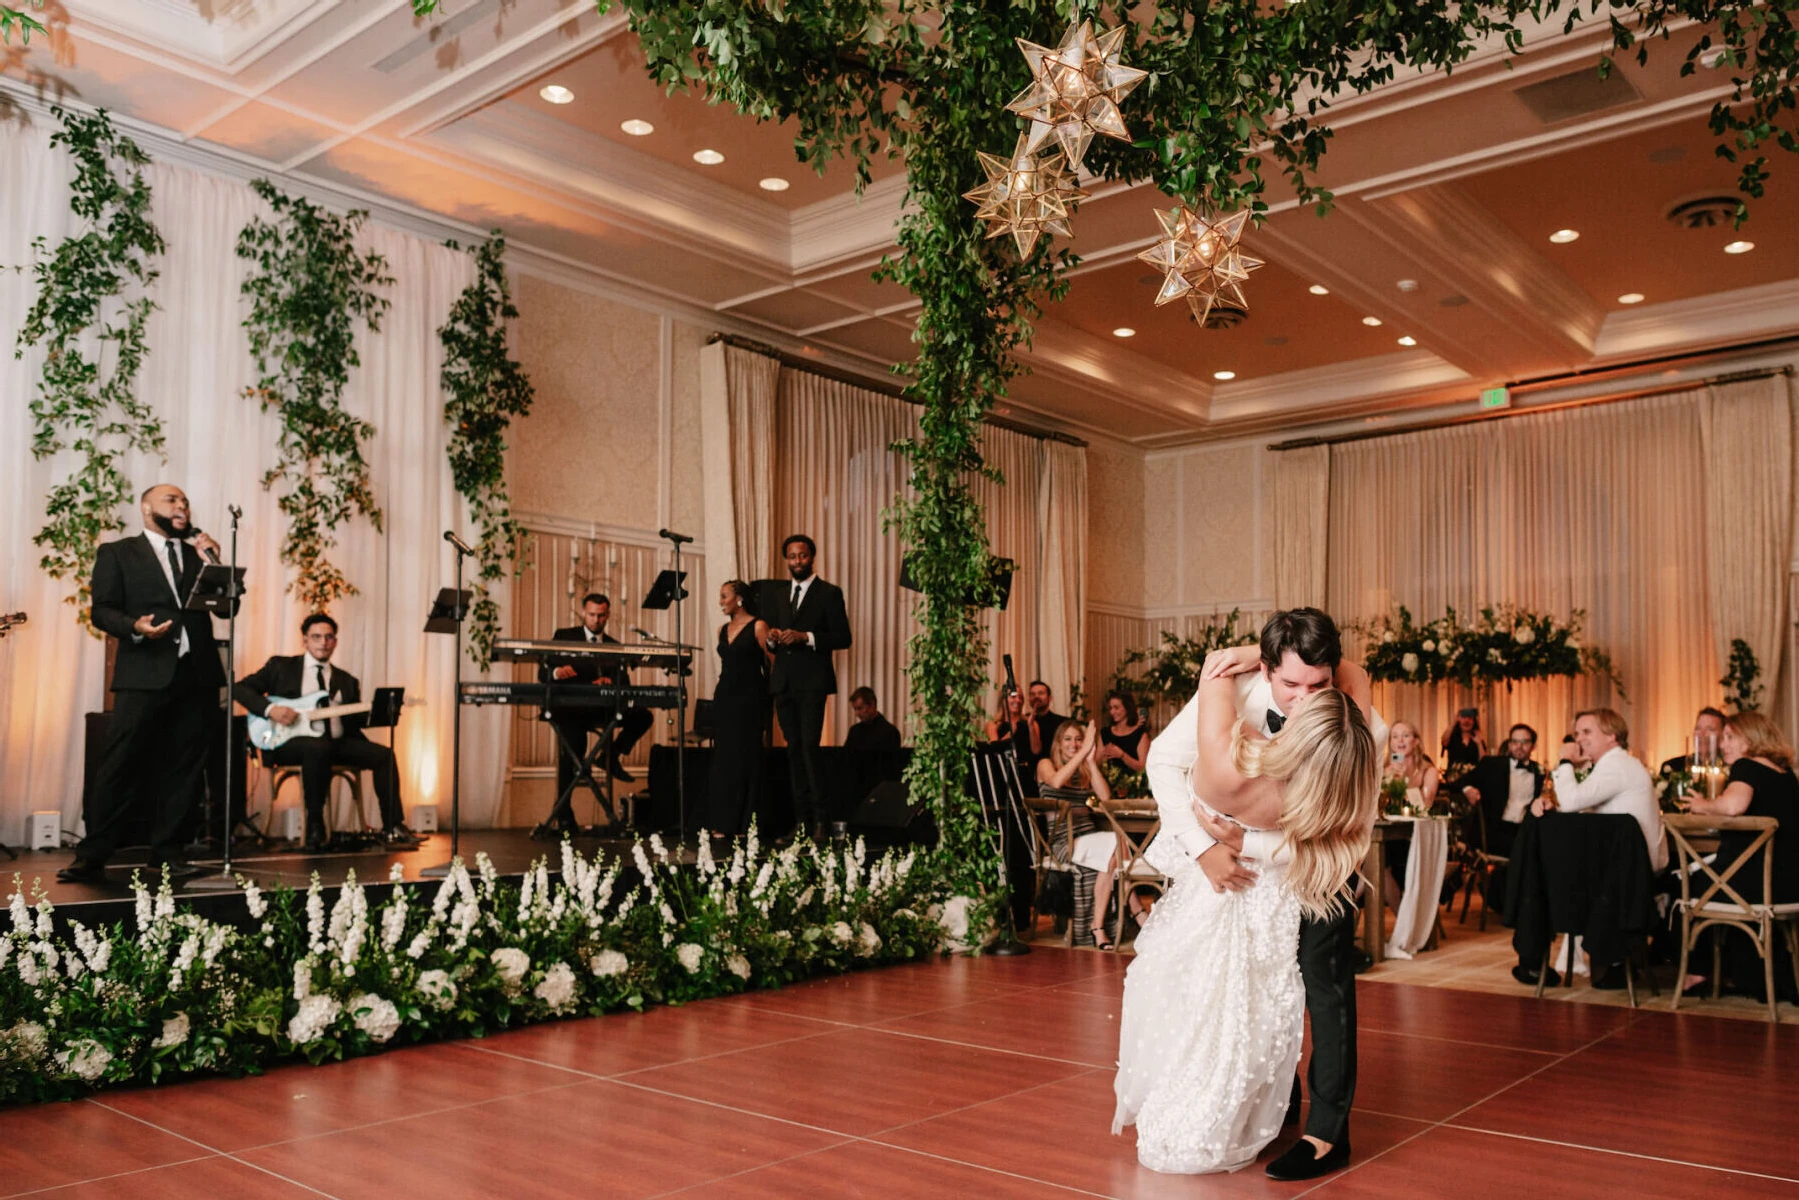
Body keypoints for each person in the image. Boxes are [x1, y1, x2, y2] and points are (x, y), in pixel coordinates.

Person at [1139, 608, 1387, 1182]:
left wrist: (1248, 843)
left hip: (1321, 867)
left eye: (1319, 685)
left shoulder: (1361, 727)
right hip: (1241, 877)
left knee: (1325, 992)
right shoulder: (1234, 693)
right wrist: (1203, 847)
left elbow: (1354, 837)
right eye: (1291, 683)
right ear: (1268, 669)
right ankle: (1271, 1111)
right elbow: (1164, 762)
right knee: (1254, 992)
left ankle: (1327, 1135)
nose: (1304, 699)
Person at [60, 484, 237, 885]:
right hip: (144, 673)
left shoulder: (198, 553)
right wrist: (134, 628)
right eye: (172, 500)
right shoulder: (118, 553)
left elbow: (229, 609)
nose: (182, 507)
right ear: (146, 508)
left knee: (185, 769)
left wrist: (215, 563)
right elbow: (102, 610)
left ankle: (168, 854)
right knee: (121, 764)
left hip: (198, 676)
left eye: (185, 502)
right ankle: (92, 854)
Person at [235, 614, 418, 850]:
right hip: (288, 742)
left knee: (384, 755)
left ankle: (393, 826)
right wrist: (271, 709)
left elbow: (354, 722)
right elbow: (240, 689)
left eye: (329, 637)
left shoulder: (347, 680)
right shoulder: (281, 667)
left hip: (336, 743)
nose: (323, 642)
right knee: (317, 747)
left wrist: (382, 712)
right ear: (305, 641)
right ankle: (314, 823)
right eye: (316, 637)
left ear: (335, 641)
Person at [1515, 707, 1664, 989]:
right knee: (1546, 868)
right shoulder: (1610, 766)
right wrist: (1549, 802)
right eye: (1576, 733)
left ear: (1612, 735)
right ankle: (1542, 957)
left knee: (1540, 876)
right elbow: (1581, 809)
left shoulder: (1617, 765)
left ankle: (1533, 955)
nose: (1579, 739)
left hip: (1628, 877)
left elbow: (1572, 802)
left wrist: (1564, 761)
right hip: (1617, 871)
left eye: (1587, 732)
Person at [1680, 711, 1799, 996]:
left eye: (1731, 737)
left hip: (1757, 887)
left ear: (1752, 738)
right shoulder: (1786, 774)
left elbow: (1733, 806)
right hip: (1788, 885)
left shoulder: (1747, 766)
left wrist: (1703, 804)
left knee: (1688, 884)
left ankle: (1697, 972)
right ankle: (1742, 974)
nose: (1723, 745)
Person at [540, 594, 655, 833]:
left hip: (602, 709)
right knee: (571, 753)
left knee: (643, 715)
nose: (596, 620)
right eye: (592, 615)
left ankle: (610, 755)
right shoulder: (565, 636)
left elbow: (625, 684)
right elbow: (544, 671)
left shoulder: (613, 645)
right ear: (584, 613)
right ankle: (564, 816)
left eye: (601, 615)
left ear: (608, 615)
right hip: (571, 710)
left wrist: (610, 683)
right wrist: (557, 672)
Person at [766, 534, 852, 839]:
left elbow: (843, 637)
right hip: (784, 683)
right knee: (793, 752)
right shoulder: (779, 595)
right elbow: (773, 644)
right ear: (786, 559)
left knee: (809, 749)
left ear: (811, 557)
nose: (796, 561)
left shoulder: (829, 593)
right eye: (791, 556)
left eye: (801, 556)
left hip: (813, 682)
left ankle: (821, 821)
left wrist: (807, 637)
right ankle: (801, 822)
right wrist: (772, 638)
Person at [1036, 719, 1121, 949]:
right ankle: (1134, 913)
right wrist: (1083, 750)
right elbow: (1056, 781)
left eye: (1078, 739)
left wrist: (1091, 762)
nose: (1074, 744)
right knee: (1116, 844)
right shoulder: (1046, 764)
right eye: (1068, 739)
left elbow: (1105, 799)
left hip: (1089, 838)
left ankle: (1097, 925)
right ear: (1058, 742)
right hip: (1064, 842)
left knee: (1113, 856)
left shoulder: (1082, 768)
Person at [707, 580, 771, 838]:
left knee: (747, 757)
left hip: (751, 697)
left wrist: (770, 700)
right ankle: (724, 821)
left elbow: (773, 663)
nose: (721, 601)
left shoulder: (759, 625)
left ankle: (746, 824)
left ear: (739, 598)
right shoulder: (722, 629)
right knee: (725, 759)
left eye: (724, 596)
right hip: (725, 697)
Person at [1459, 723, 1543, 860]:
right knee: (1524, 854)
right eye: (1515, 742)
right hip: (1494, 831)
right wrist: (1468, 790)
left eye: (1525, 742)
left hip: (1523, 830)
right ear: (1509, 745)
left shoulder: (1539, 772)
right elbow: (1461, 781)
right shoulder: (1492, 764)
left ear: (1533, 746)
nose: (1519, 746)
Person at [1380, 721, 1438, 902]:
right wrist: (1384, 780)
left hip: (1415, 839)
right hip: (1387, 836)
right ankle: (1403, 927)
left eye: (1405, 735)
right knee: (1373, 861)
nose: (1400, 741)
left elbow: (1423, 807)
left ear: (1416, 741)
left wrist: (1406, 780)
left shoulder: (1429, 771)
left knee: (1377, 864)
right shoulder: (1383, 769)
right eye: (1395, 737)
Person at [1018, 679, 1069, 792]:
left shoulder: (1062, 723)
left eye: (1041, 693)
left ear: (1050, 698)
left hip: (1053, 776)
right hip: (1025, 779)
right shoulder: (1021, 723)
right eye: (1032, 694)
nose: (1036, 697)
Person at [1660, 706, 1728, 775]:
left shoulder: (1730, 769)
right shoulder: (1673, 767)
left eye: (1709, 729)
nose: (1701, 734)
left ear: (1722, 735)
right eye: (1698, 728)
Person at [1096, 691, 1150, 774]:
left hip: (1133, 784)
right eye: (1110, 708)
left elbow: (1143, 768)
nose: (1112, 712)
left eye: (1116, 708)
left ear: (1127, 708)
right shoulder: (1105, 733)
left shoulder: (1140, 735)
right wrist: (1103, 755)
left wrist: (1122, 755)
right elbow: (1096, 764)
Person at [843, 685, 902, 752]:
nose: (856, 714)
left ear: (872, 705)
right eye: (855, 709)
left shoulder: (890, 733)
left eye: (860, 708)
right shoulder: (854, 731)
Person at [1439, 707, 1486, 779]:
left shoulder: (1477, 737)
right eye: (1464, 718)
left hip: (1473, 778)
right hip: (1454, 778)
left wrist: (1479, 743)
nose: (1467, 721)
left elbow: (1484, 761)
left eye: (1470, 718)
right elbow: (1444, 741)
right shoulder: (1453, 737)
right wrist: (1454, 721)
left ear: (1473, 722)